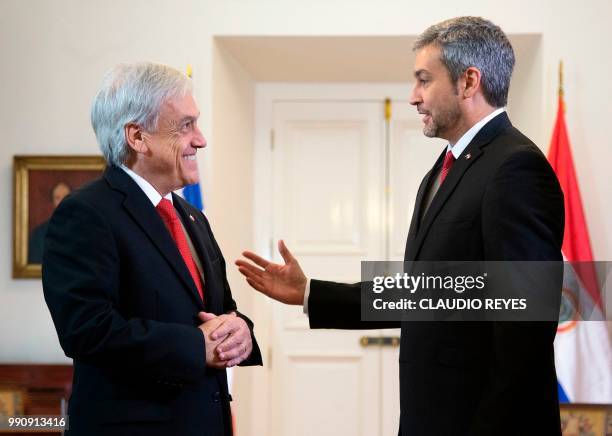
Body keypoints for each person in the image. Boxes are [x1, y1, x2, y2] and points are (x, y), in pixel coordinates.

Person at [236, 17, 564, 436]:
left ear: (468, 81)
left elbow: (526, 332)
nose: (413, 97)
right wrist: (310, 292)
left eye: (424, 80)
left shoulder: (515, 167)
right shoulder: (442, 170)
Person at [43, 62, 262, 436]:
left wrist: (241, 331)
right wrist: (195, 347)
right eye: (185, 126)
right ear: (137, 137)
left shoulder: (191, 217)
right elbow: (87, 330)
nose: (201, 139)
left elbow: (216, 311)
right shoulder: (85, 213)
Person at [28, 181, 71, 263]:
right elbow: (35, 264)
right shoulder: (39, 233)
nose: (62, 201)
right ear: (53, 202)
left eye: (65, 197)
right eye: (57, 198)